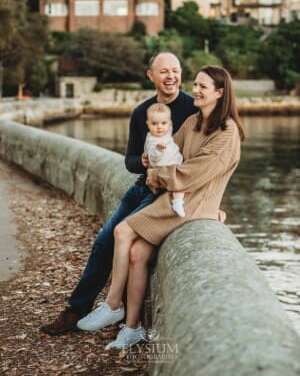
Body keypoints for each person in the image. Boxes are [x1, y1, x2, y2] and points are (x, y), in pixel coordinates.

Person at [76, 65, 245, 350]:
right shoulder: (193, 122)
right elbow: (165, 151)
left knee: (121, 231)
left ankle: (113, 304)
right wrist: (154, 164)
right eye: (196, 84)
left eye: (203, 86)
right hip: (178, 198)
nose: (196, 90)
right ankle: (132, 329)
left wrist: (156, 175)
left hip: (192, 205)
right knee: (137, 254)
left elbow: (190, 174)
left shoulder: (227, 133)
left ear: (219, 93)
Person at [41, 52, 198, 335]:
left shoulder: (193, 108)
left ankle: (121, 310)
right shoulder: (141, 113)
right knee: (103, 241)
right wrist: (144, 162)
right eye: (164, 71)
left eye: (175, 70)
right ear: (151, 76)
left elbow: (202, 161)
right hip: (141, 186)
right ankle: (77, 308)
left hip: (166, 192)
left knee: (125, 239)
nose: (171, 76)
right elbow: (129, 160)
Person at [144, 103, 185, 217]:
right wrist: (158, 149)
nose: (159, 127)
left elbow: (167, 126)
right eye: (154, 124)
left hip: (175, 164)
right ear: (148, 124)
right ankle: (177, 202)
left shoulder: (166, 132)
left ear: (169, 124)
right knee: (180, 185)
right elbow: (153, 157)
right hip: (165, 168)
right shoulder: (153, 141)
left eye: (163, 123)